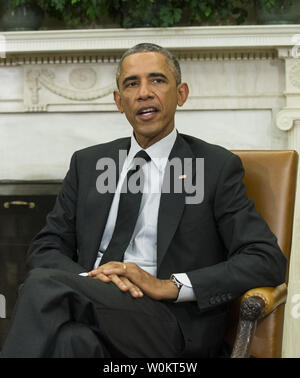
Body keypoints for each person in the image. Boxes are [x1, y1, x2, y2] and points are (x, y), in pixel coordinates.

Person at [1, 43, 286, 358]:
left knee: (42, 286)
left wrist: (169, 286)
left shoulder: (213, 167)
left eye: (157, 80)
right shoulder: (89, 164)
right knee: (72, 341)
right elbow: (46, 247)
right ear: (118, 101)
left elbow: (266, 259)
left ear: (181, 94)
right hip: (94, 307)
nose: (144, 93)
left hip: (170, 322)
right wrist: (90, 281)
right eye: (131, 83)